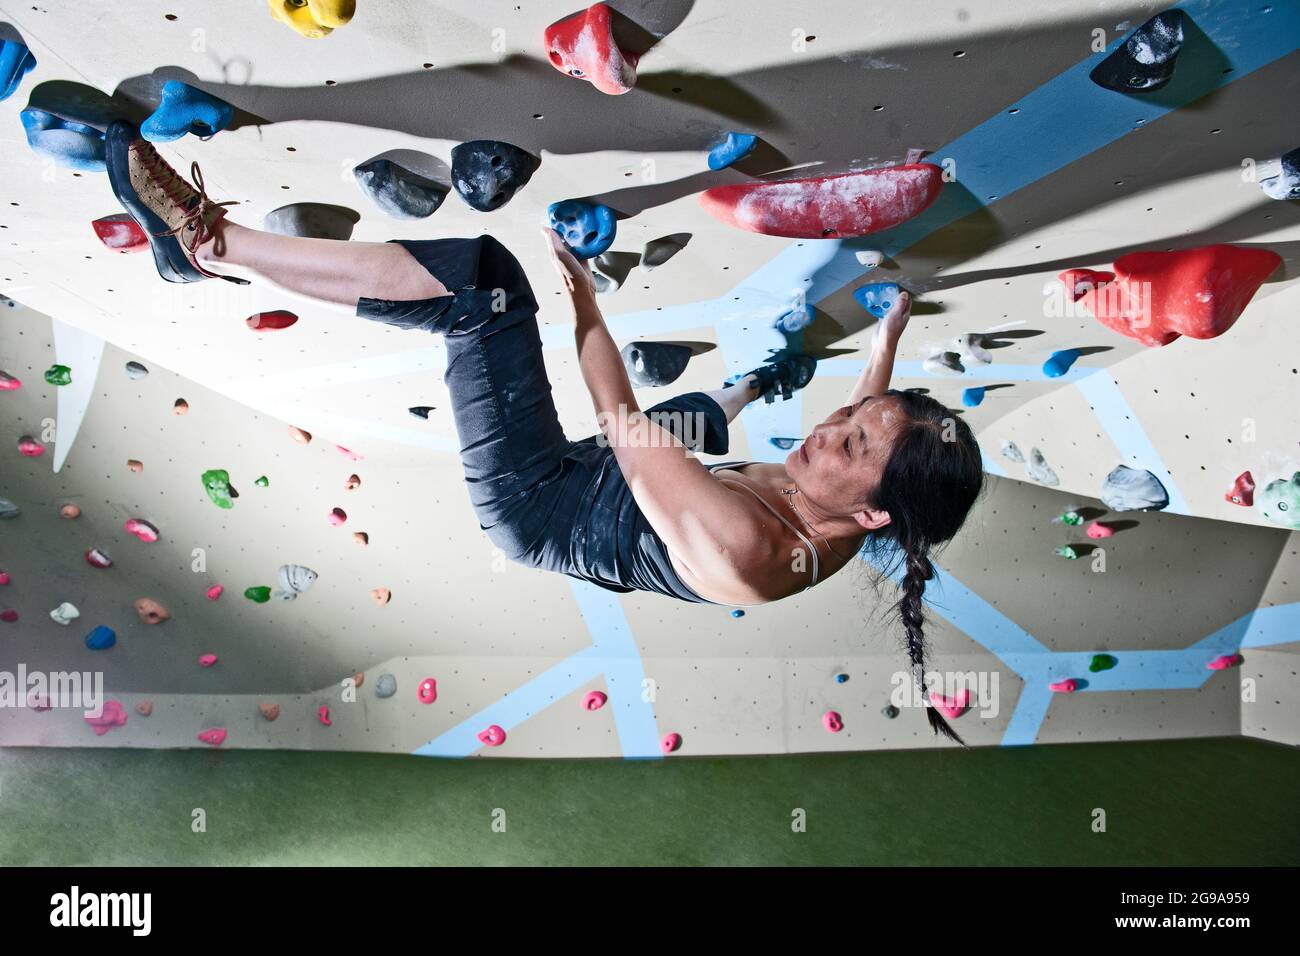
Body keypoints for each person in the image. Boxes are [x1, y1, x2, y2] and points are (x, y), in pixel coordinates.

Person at [104, 121, 985, 743]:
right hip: (636, 485)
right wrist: (887, 343)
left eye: (854, 445)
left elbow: (619, 416)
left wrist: (585, 301)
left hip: (546, 501)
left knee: (487, 292)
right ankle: (760, 376)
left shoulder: (752, 548)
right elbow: (871, 427)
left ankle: (213, 248)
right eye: (848, 421)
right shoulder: (863, 505)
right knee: (708, 423)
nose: (832, 433)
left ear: (870, 513)